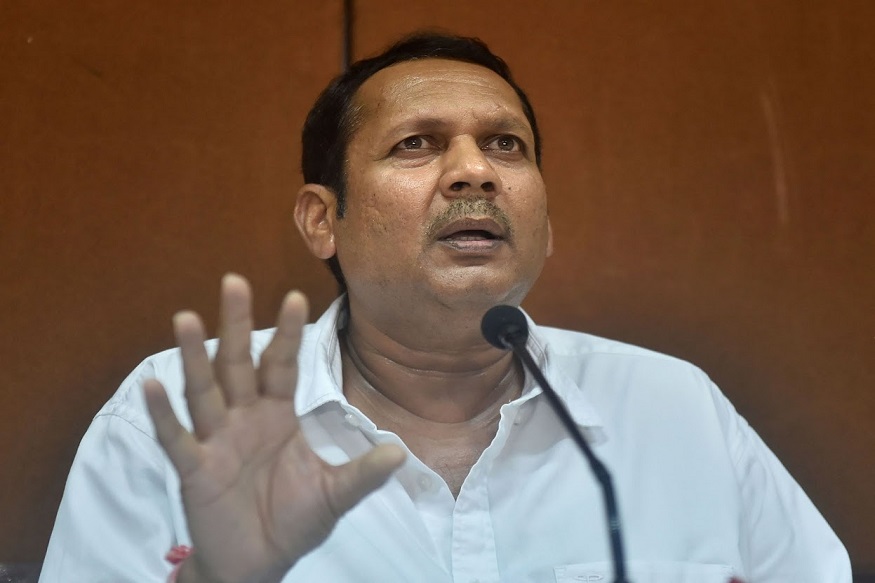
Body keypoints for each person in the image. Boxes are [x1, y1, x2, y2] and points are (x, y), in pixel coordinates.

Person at [40, 33, 851, 583]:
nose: (475, 172)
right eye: (416, 143)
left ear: (544, 225)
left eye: (505, 145)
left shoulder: (674, 409)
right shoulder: (180, 416)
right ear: (323, 219)